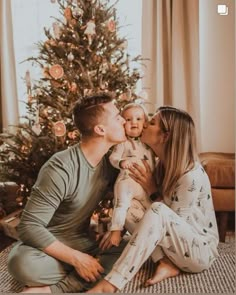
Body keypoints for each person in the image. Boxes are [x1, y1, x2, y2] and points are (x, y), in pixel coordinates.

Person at [87, 106, 219, 293]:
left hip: (198, 251)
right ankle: (164, 262)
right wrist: (116, 227)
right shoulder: (160, 165)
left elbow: (172, 221)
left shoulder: (190, 175)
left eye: (152, 122)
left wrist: (152, 189)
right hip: (174, 246)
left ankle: (110, 285)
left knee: (157, 209)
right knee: (129, 205)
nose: (145, 124)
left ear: (165, 136)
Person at [7, 93, 128, 293]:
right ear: (100, 129)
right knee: (21, 264)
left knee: (129, 249)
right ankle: (89, 270)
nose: (124, 120)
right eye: (117, 117)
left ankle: (51, 290)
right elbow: (29, 226)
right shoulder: (60, 167)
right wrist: (76, 259)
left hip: (83, 241)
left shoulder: (110, 165)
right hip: (48, 245)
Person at [109, 103, 156, 247]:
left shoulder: (148, 144)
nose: (133, 122)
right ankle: (116, 229)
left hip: (144, 186)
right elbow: (113, 158)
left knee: (152, 208)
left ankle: (154, 234)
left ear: (145, 123)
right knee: (122, 204)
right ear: (123, 124)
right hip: (127, 181)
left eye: (138, 119)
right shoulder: (122, 143)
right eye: (128, 120)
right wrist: (121, 162)